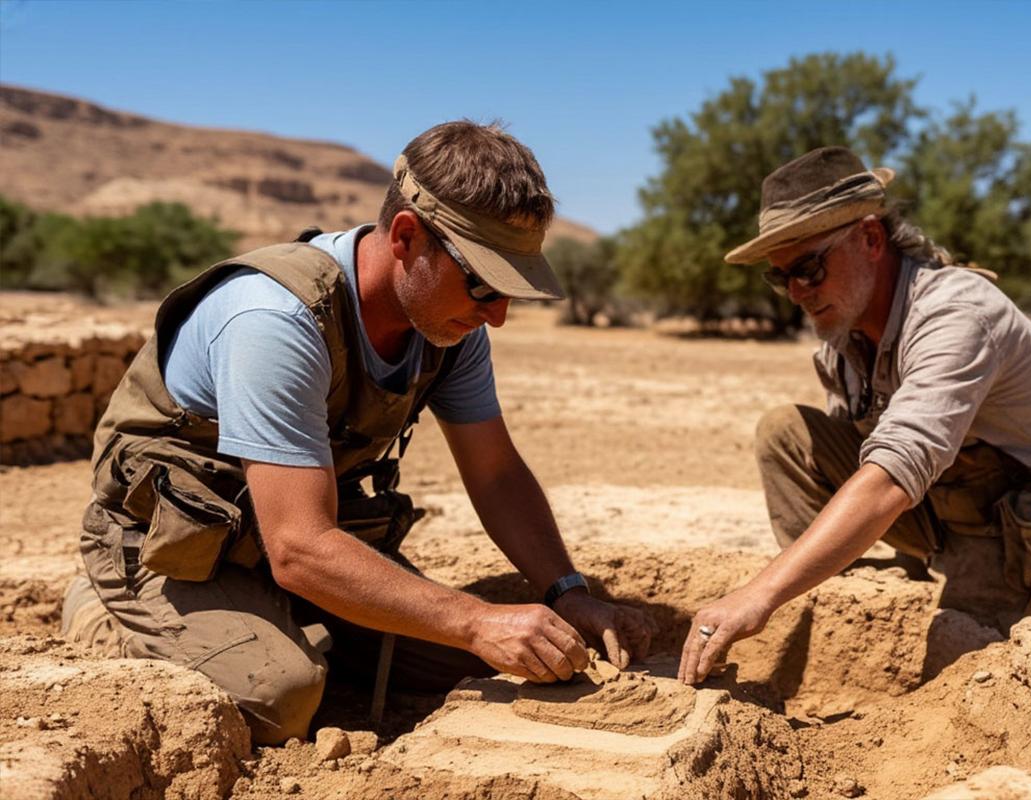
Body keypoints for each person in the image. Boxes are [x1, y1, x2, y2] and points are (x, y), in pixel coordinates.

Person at [61, 120, 652, 744]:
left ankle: (280, 623)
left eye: (510, 291)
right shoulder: (276, 320)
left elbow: (497, 473)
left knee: (478, 661)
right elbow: (299, 547)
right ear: (406, 237)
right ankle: (107, 614)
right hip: (171, 544)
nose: (497, 317)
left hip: (288, 535)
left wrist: (566, 592)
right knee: (281, 697)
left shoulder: (451, 330)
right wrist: (476, 620)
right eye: (482, 284)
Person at [678, 146, 1031, 685]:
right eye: (782, 279)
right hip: (948, 507)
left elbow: (894, 472)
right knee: (786, 432)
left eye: (809, 268)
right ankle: (850, 583)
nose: (798, 294)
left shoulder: (957, 315)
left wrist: (760, 594)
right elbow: (863, 454)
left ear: (871, 239)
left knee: (963, 679)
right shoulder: (843, 337)